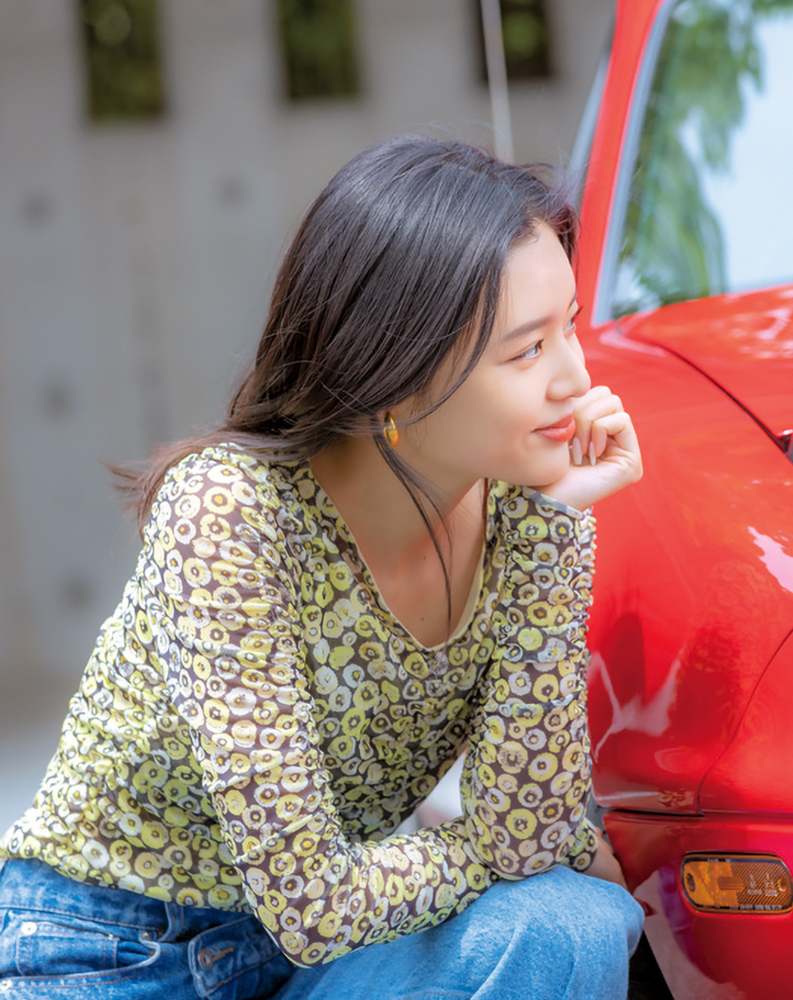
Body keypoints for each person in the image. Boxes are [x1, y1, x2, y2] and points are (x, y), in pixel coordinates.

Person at [0, 135, 645, 999]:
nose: (577, 379)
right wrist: (494, 842)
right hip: (113, 952)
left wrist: (563, 520)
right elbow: (315, 902)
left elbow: (536, 834)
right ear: (395, 374)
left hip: (331, 956)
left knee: (577, 925)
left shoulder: (528, 507)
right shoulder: (228, 511)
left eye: (568, 327)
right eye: (527, 351)